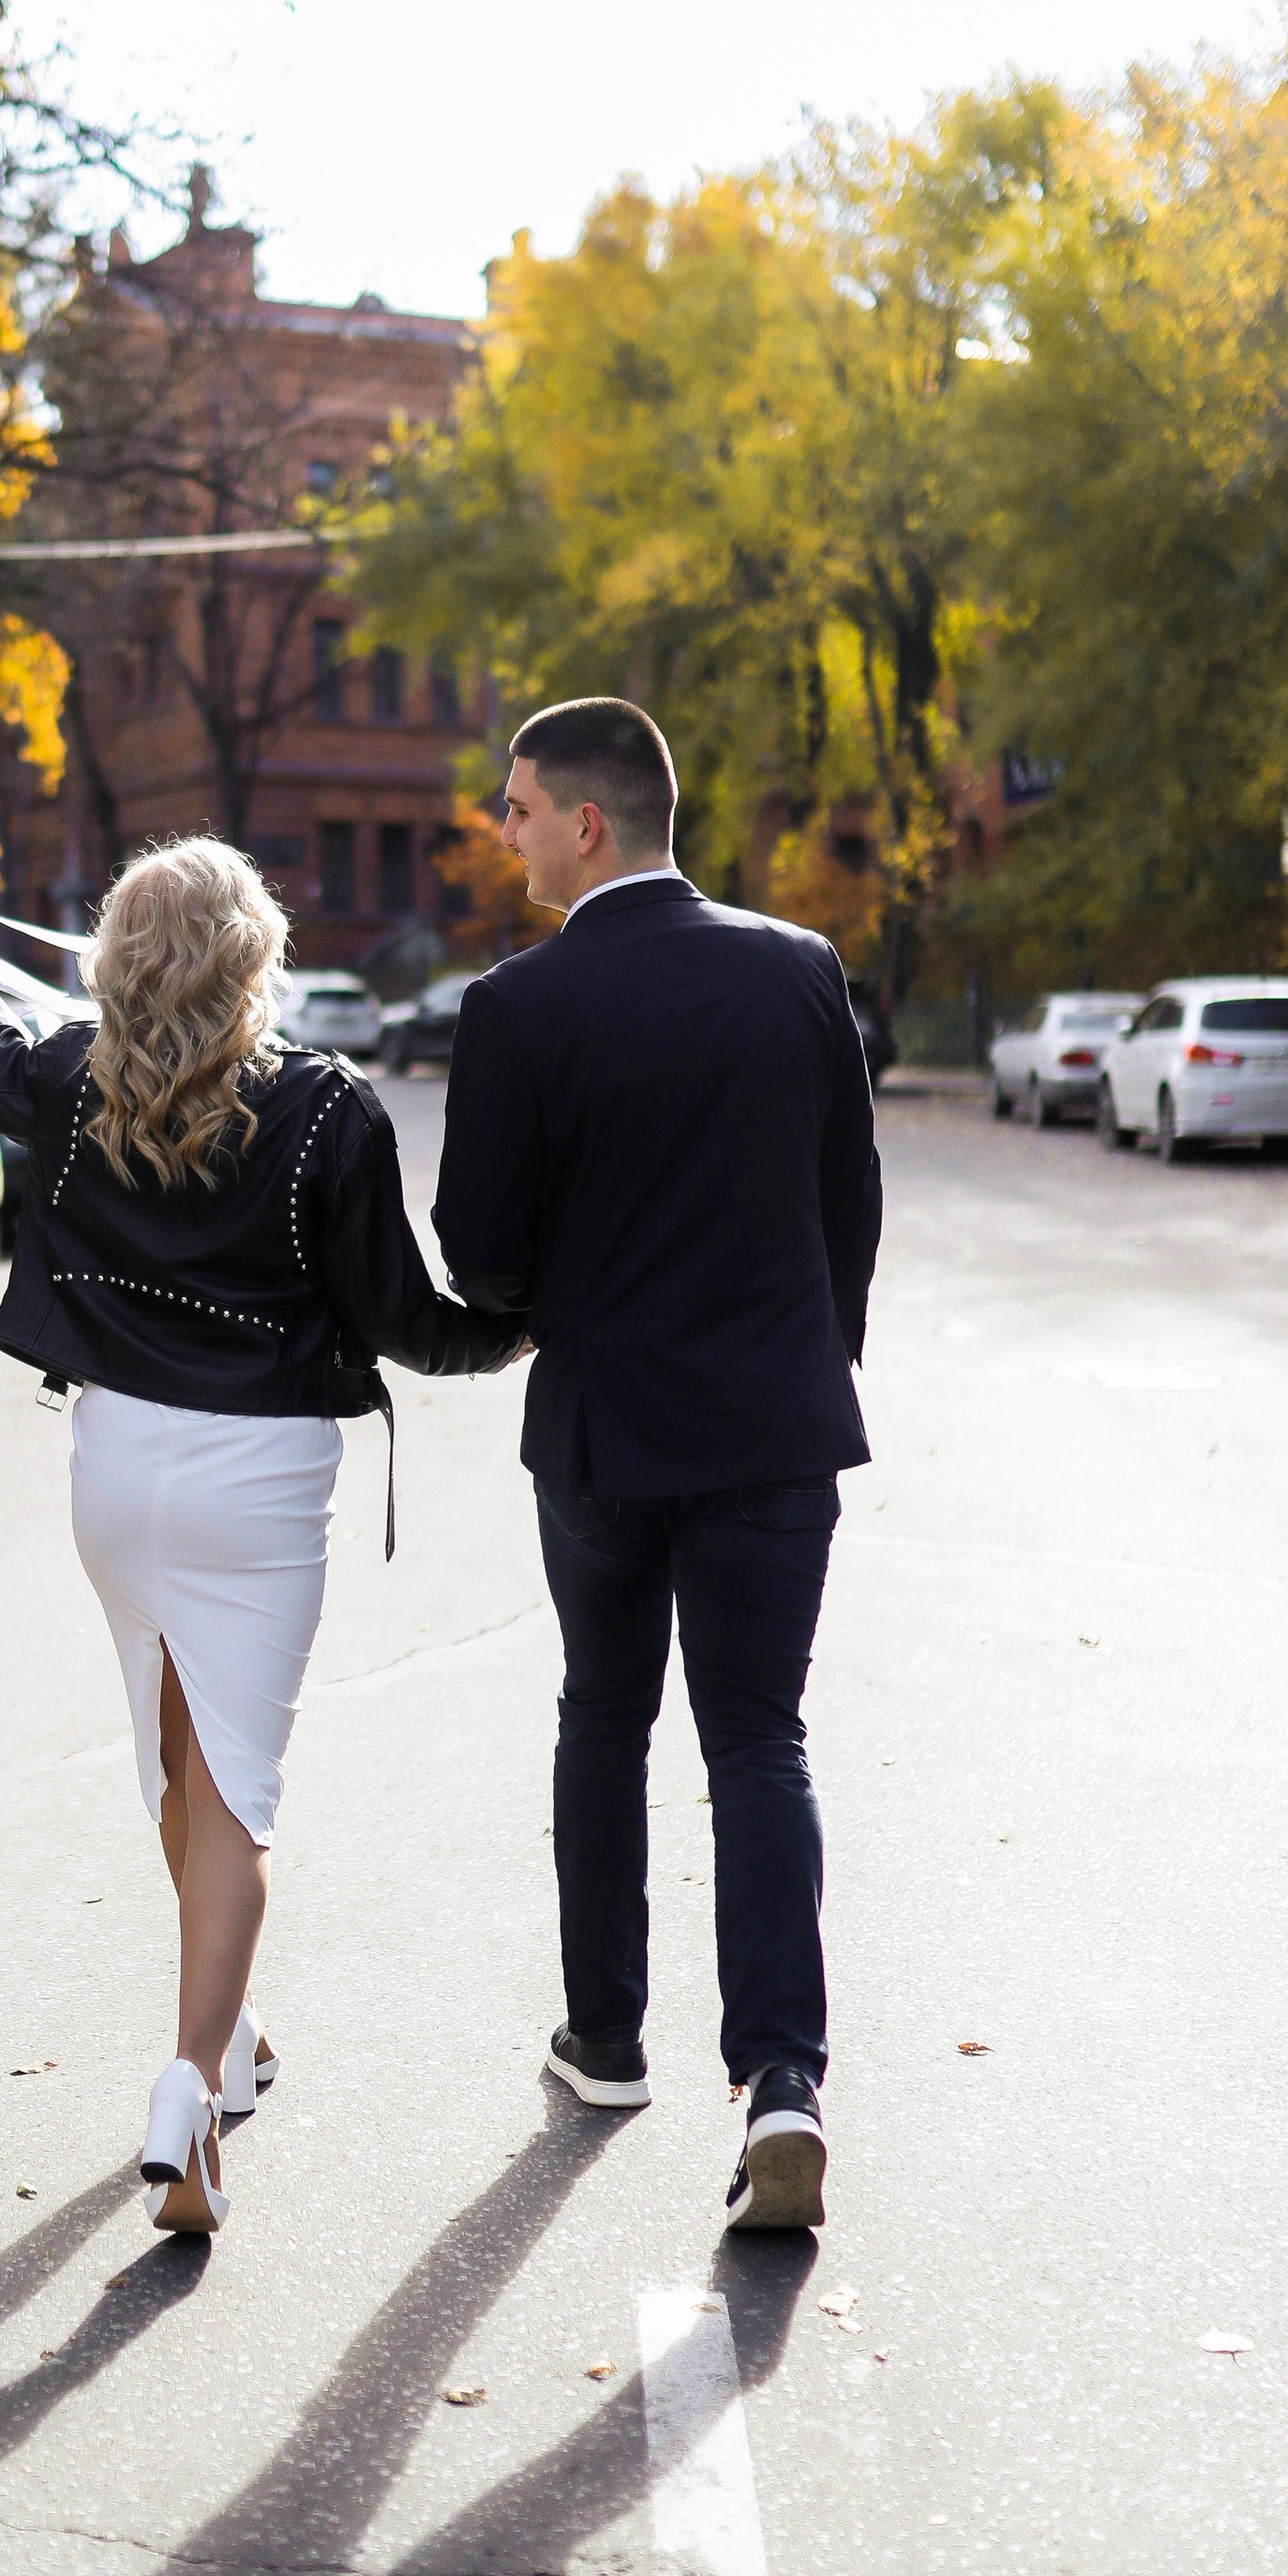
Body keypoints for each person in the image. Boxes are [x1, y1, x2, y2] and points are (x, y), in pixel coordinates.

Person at [0, 822, 527, 2237]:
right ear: (254, 957)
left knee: (171, 1758)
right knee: (239, 1792)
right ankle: (190, 2088)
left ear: (118, 963)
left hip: (113, 1468)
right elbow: (407, 1325)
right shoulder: (329, 1112)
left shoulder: (71, 1086)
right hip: (259, 1483)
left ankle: (235, 2032)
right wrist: (531, 1323)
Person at [433, 697, 881, 2231]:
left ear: (588, 825)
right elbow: (850, 1213)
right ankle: (784, 2086)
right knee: (759, 1739)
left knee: (603, 1719)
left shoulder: (517, 1010)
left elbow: (483, 1266)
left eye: (516, 806)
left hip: (604, 1439)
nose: (501, 828)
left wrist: (542, 1306)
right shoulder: (799, 971)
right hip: (771, 1429)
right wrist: (811, 1367)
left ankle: (606, 2040)